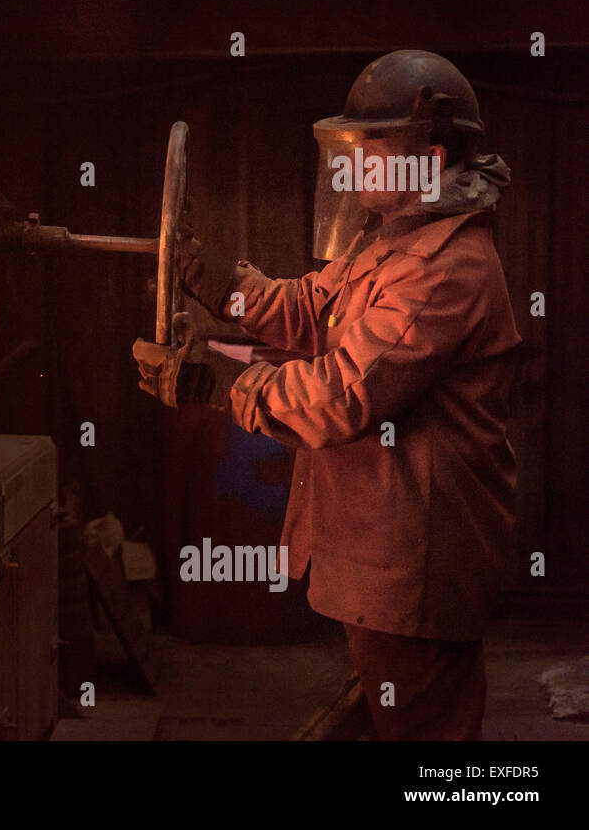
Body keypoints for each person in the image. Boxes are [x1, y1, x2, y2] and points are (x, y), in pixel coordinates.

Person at [133, 50, 522, 740]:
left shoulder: (442, 269)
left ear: (428, 162)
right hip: (388, 554)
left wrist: (214, 381)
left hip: (417, 564)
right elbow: (309, 309)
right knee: (394, 717)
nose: (354, 165)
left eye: (374, 149)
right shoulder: (393, 243)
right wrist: (212, 277)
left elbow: (342, 394)